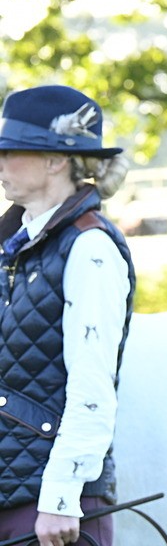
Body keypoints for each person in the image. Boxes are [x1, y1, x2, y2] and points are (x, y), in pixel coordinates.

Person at [0, 86, 136, 546]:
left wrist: (59, 496)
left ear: (56, 160)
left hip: (51, 511)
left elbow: (92, 386)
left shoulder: (90, 248)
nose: (0, 163)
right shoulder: (15, 246)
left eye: (10, 151)